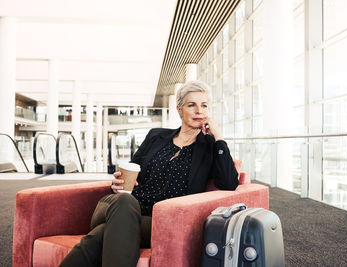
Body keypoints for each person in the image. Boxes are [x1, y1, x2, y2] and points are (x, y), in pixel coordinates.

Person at [60, 80, 239, 267]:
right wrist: (118, 182)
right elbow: (131, 170)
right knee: (125, 202)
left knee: (102, 235)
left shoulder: (210, 148)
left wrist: (219, 137)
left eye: (204, 105)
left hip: (154, 222)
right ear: (179, 110)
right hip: (118, 205)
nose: (199, 111)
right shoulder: (156, 136)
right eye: (191, 105)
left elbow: (229, 183)